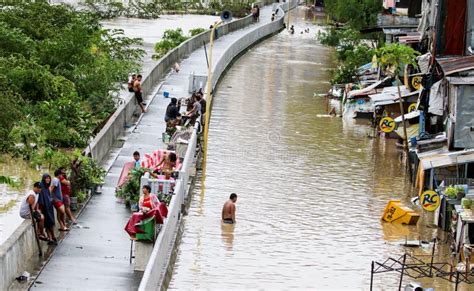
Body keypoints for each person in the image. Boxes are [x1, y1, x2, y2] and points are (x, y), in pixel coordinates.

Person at [38, 174, 58, 245]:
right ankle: (51, 237)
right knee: (49, 223)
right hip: (45, 208)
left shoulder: (47, 187)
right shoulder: (42, 187)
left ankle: (51, 237)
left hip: (49, 207)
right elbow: (41, 200)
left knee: (50, 223)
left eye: (49, 178)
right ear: (43, 179)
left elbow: (49, 197)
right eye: (46, 178)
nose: (48, 180)